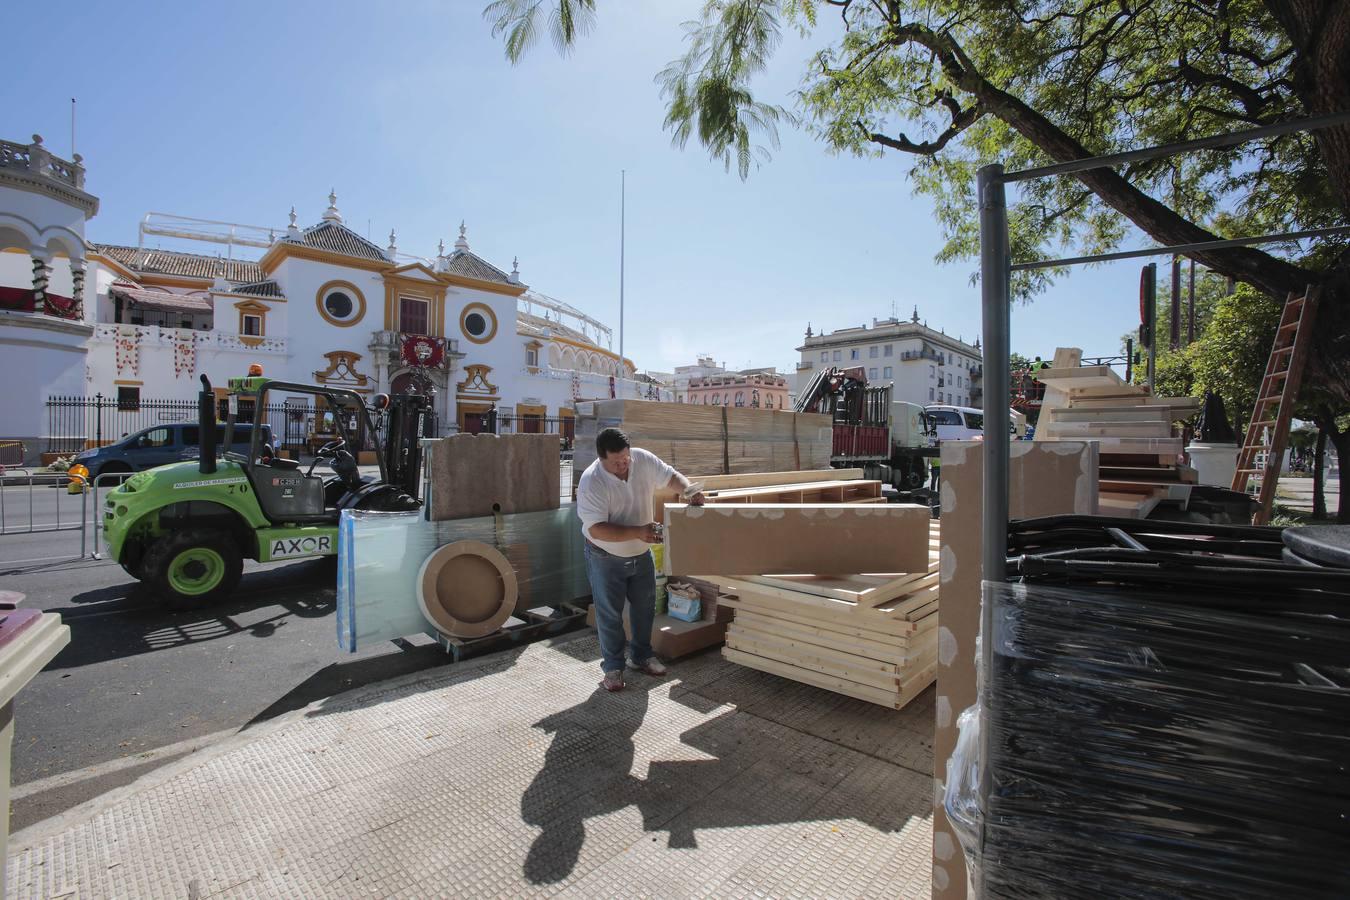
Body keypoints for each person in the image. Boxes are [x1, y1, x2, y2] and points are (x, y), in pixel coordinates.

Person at [576, 427, 705, 692]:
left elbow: (671, 477)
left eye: (626, 458)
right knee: (610, 614)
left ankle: (641, 656)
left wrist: (689, 491)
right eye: (616, 462)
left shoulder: (642, 459)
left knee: (645, 608)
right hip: (604, 556)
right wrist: (638, 532)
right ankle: (613, 668)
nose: (624, 465)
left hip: (640, 553)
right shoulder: (592, 481)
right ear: (601, 458)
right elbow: (596, 529)